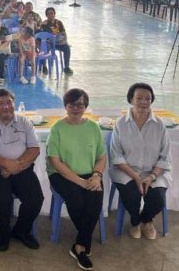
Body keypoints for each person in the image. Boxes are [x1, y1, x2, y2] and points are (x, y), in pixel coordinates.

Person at [0, 88, 43, 252]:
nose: (6, 107)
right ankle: (4, 232)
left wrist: (16, 165)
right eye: (1, 103)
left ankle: (21, 230)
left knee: (35, 198)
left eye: (9, 103)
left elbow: (34, 149)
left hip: (22, 168)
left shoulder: (24, 122)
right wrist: (6, 164)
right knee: (2, 199)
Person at [46, 88, 106, 271]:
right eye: (72, 104)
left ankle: (79, 246)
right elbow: (55, 162)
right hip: (61, 174)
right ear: (66, 106)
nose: (76, 108)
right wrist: (80, 182)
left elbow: (101, 157)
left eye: (80, 104)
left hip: (90, 173)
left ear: (85, 106)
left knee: (95, 198)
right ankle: (84, 242)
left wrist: (96, 175)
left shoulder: (93, 127)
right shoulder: (57, 128)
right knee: (77, 199)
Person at [109, 83, 171, 240]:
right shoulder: (121, 124)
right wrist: (136, 177)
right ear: (131, 99)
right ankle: (135, 222)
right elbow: (116, 156)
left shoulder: (160, 125)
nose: (144, 102)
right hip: (126, 171)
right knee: (132, 195)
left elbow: (165, 157)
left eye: (147, 98)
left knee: (157, 199)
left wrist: (151, 177)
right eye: (139, 98)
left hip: (153, 172)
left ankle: (146, 221)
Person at [41, 7, 73, 75]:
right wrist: (52, 39)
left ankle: (66, 67)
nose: (50, 15)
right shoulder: (44, 24)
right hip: (49, 43)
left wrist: (62, 41)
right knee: (44, 48)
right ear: (46, 15)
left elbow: (64, 33)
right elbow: (44, 36)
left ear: (54, 14)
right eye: (48, 14)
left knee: (67, 48)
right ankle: (44, 66)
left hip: (59, 43)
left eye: (52, 13)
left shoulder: (59, 23)